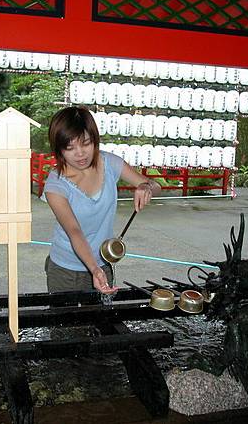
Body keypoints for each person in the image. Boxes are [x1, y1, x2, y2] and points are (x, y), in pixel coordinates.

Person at [43, 106, 161, 295]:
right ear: (59, 149)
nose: (80, 153)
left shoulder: (110, 163)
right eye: (70, 147)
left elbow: (155, 186)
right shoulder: (55, 185)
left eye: (86, 143)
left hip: (103, 265)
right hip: (65, 271)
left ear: (95, 140)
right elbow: (75, 232)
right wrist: (94, 269)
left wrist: (145, 187)